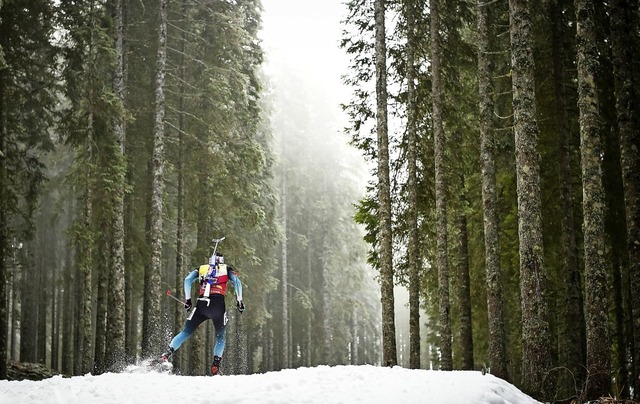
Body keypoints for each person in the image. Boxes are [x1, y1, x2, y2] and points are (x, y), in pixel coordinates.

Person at [161, 251, 245, 375]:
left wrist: (188, 299)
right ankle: (216, 363)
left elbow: (188, 279)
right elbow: (237, 282)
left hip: (201, 304)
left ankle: (168, 352)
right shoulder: (226, 269)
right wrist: (240, 301)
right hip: (217, 305)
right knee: (220, 336)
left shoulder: (201, 268)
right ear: (221, 260)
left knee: (185, 332)